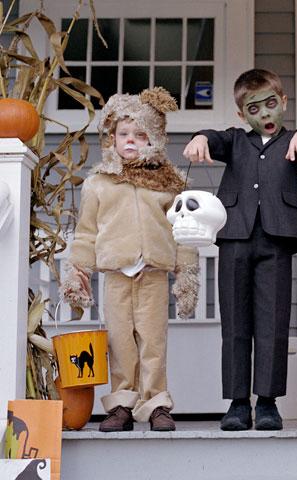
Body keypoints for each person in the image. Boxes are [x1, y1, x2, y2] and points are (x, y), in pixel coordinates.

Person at [183, 69, 297, 431]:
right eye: (254, 108)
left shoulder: (294, 141)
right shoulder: (236, 140)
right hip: (236, 237)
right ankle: (238, 403)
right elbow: (213, 138)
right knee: (236, 323)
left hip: (276, 239)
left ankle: (268, 402)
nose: (265, 114)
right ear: (243, 115)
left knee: (273, 322)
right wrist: (199, 137)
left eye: (271, 104)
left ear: (283, 102)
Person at [61, 87, 199, 432]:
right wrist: (77, 271)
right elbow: (86, 233)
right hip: (116, 274)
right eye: (124, 134)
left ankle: (155, 403)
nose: (131, 141)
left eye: (141, 135)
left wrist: (186, 274)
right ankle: (122, 403)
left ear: (155, 138)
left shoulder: (168, 184)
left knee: (153, 341)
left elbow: (183, 231)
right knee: (120, 341)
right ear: (111, 137)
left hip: (152, 271)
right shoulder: (98, 184)